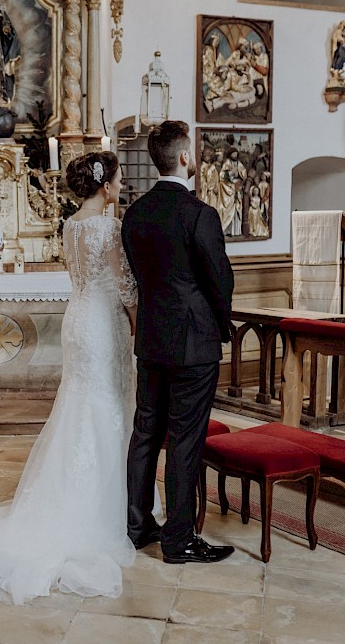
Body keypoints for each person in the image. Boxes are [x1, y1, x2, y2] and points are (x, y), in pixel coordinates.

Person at [0, 151, 144, 604]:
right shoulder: (110, 227)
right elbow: (125, 285)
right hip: (104, 323)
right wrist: (137, 325)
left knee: (80, 405)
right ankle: (107, 508)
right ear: (104, 183)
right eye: (119, 176)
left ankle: (74, 493)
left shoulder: (70, 225)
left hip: (80, 319)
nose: (122, 182)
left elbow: (81, 278)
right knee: (108, 404)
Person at [122, 121, 235, 564]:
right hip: (193, 344)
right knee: (186, 440)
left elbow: (139, 276)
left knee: (146, 433)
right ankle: (178, 540)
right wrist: (219, 326)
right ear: (185, 158)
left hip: (151, 340)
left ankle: (138, 526)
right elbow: (219, 281)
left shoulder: (135, 213)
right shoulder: (199, 214)